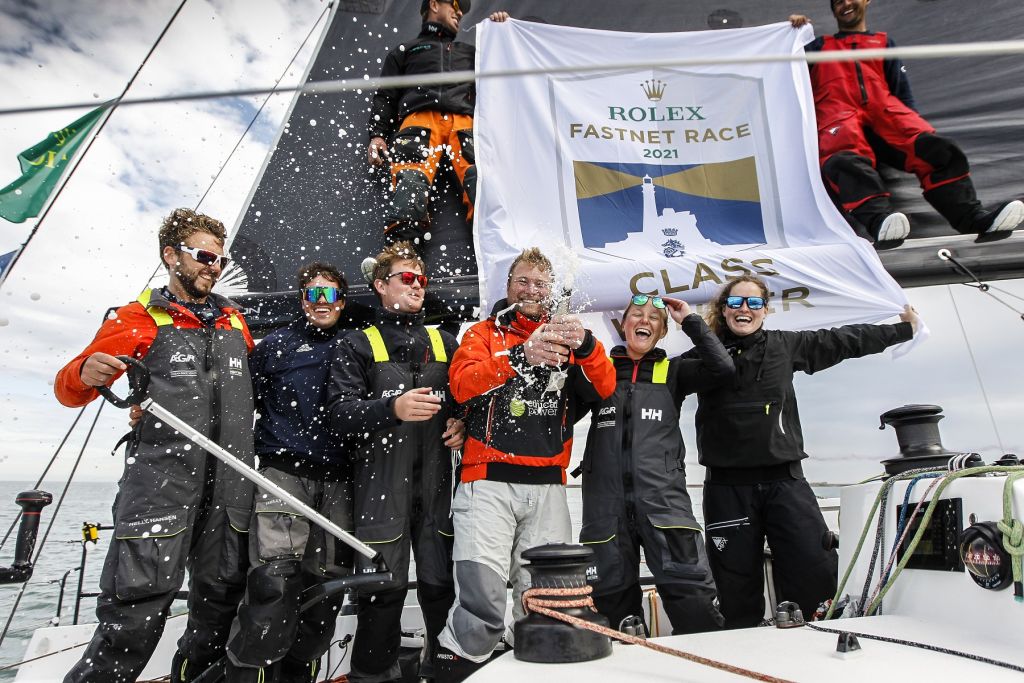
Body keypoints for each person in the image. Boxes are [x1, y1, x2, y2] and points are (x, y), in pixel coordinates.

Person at [54, 208, 256, 683]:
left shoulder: (235, 323)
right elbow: (68, 389)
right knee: (133, 618)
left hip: (229, 492)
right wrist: (85, 373)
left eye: (220, 259)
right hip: (160, 488)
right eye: (205, 255)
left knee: (218, 613)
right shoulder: (137, 319)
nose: (214, 266)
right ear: (171, 255)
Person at [687, 274, 918, 629]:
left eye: (753, 302)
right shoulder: (705, 353)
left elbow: (843, 340)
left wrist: (901, 330)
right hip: (725, 488)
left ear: (766, 310)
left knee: (813, 571)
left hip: (786, 481)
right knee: (734, 589)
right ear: (723, 309)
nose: (743, 309)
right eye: (735, 303)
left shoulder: (785, 345)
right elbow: (661, 379)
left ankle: (817, 648)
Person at [434, 248, 616, 682]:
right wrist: (521, 356)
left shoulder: (567, 336)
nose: (531, 291)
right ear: (509, 286)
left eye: (540, 284)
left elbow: (606, 385)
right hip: (487, 481)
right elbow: (461, 385)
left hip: (549, 485)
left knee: (544, 601)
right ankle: (454, 669)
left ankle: (531, 671)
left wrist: (588, 344)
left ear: (550, 291)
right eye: (523, 282)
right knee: (483, 599)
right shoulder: (483, 333)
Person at [324, 241, 463, 683]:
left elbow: (470, 403)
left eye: (421, 279)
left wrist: (462, 423)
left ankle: (441, 672)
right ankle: (372, 675)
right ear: (381, 285)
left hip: (438, 492)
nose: (417, 285)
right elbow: (339, 415)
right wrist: (392, 410)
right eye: (407, 278)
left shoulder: (446, 341)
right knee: (380, 598)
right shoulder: (357, 343)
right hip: (379, 493)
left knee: (441, 591)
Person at [790, 1, 1023, 243]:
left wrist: (913, 127)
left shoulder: (882, 43)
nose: (846, 4)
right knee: (843, 160)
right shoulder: (818, 47)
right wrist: (793, 32)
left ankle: (974, 219)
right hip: (840, 118)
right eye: (838, 1)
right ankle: (880, 222)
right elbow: (787, 68)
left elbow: (901, 94)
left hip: (884, 119)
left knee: (938, 150)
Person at [223, 262, 353, 682]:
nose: (321, 303)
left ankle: (301, 673)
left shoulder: (356, 346)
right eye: (313, 294)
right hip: (283, 475)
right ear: (301, 300)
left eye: (329, 294)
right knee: (273, 583)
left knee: (326, 587)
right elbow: (240, 405)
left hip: (340, 481)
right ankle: (252, 673)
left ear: (342, 301)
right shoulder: (273, 347)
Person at [578, 294, 729, 636]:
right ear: (623, 324)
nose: (644, 321)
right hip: (605, 512)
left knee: (695, 604)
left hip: (666, 509)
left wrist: (690, 321)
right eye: (636, 315)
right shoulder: (598, 371)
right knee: (612, 615)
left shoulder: (673, 371)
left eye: (654, 318)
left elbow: (723, 368)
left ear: (662, 331)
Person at [366, 1, 509, 245]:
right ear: (434, 4)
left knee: (482, 186)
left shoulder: (471, 53)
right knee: (410, 187)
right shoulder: (405, 51)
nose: (460, 12)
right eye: (455, 4)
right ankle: (402, 265)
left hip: (464, 125)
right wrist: (377, 135)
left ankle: (501, 259)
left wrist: (503, 35)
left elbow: (502, 82)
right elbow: (386, 95)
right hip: (417, 122)